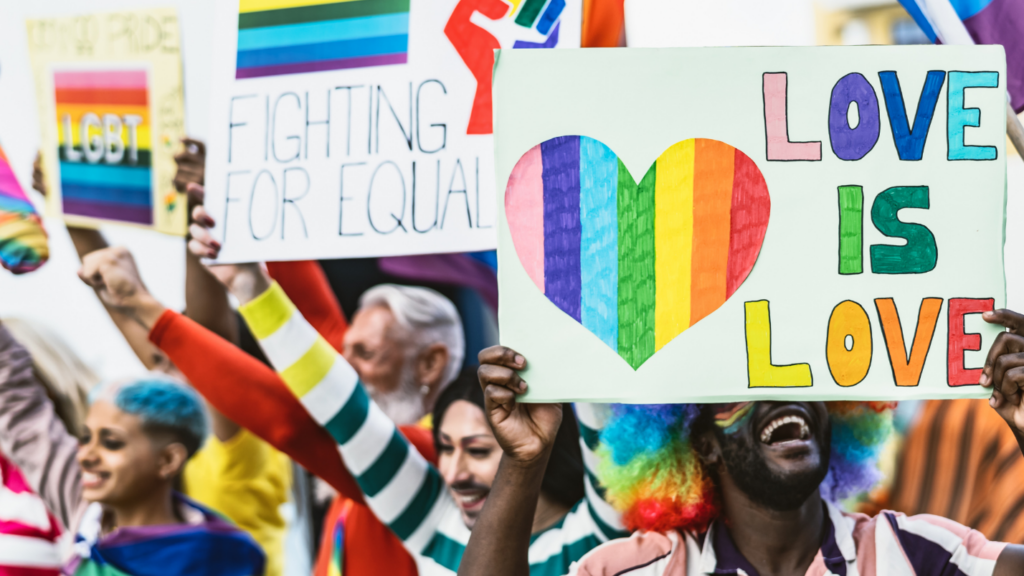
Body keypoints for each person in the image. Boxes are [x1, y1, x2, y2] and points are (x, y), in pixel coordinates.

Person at [74, 238, 627, 574]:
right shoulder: (434, 522)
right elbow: (333, 397)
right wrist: (251, 271)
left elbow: (303, 415)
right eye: (448, 449)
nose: (453, 471)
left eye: (483, 450)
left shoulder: (604, 529)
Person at [460, 332, 1024, 576]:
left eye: (806, 376)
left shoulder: (918, 556)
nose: (781, 392)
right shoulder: (638, 569)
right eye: (744, 382)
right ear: (701, 442)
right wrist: (523, 462)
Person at [33, 147, 293, 576]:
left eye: (109, 443)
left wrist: (199, 206)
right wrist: (70, 205)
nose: (161, 365)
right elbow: (119, 301)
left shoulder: (239, 451)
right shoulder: (156, 446)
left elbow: (208, 340)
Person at [0, 321, 265, 575]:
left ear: (168, 460)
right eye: (85, 438)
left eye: (111, 443)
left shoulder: (218, 557)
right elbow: (19, 404)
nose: (87, 455)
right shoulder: (86, 509)